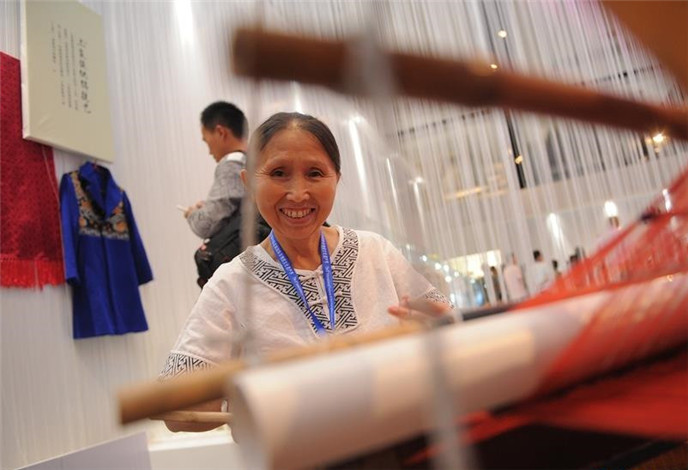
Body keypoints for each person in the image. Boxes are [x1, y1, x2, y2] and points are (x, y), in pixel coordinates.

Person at [161, 112, 454, 432]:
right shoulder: (231, 284)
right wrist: (241, 391)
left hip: (399, 442)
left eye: (315, 173)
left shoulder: (376, 252)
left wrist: (439, 331)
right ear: (248, 183)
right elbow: (174, 413)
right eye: (278, 173)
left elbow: (448, 331)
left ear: (336, 178)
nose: (298, 194)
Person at [184, 101, 248, 239]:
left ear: (220, 132)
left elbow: (205, 225)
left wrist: (192, 214)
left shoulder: (232, 164)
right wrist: (207, 207)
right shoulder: (258, 160)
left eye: (206, 141)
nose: (209, 152)